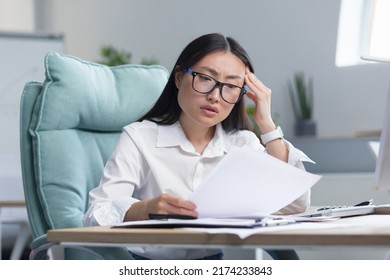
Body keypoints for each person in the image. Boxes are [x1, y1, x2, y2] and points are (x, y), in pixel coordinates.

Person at [83, 33, 313, 260]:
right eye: (205, 78)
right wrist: (145, 209)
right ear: (179, 78)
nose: (215, 96)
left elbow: (294, 204)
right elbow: (96, 214)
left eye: (231, 86)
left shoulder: (242, 143)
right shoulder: (140, 137)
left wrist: (267, 126)